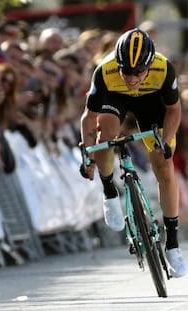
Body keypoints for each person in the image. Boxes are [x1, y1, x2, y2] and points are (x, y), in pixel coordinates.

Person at [79, 28, 188, 278]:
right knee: (104, 135)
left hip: (151, 102)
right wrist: (87, 153)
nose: (132, 77)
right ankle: (110, 193)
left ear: (149, 65)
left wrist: (166, 140)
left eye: (139, 71)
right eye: (126, 70)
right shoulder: (105, 71)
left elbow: (174, 110)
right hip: (115, 99)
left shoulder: (163, 68)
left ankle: (172, 243)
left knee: (163, 165)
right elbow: (89, 117)